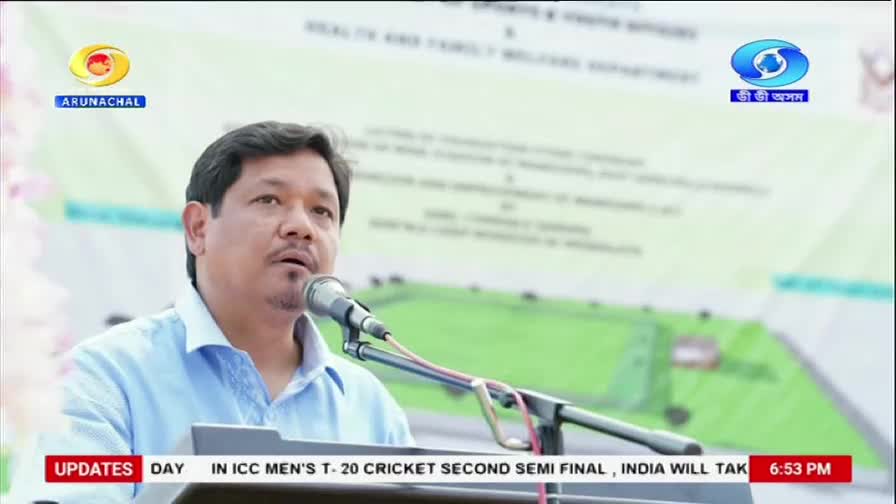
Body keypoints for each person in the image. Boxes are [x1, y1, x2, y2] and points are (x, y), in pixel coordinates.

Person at [12, 121, 415, 503]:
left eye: (322, 211)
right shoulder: (101, 380)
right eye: (269, 200)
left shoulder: (370, 409)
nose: (301, 227)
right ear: (198, 228)